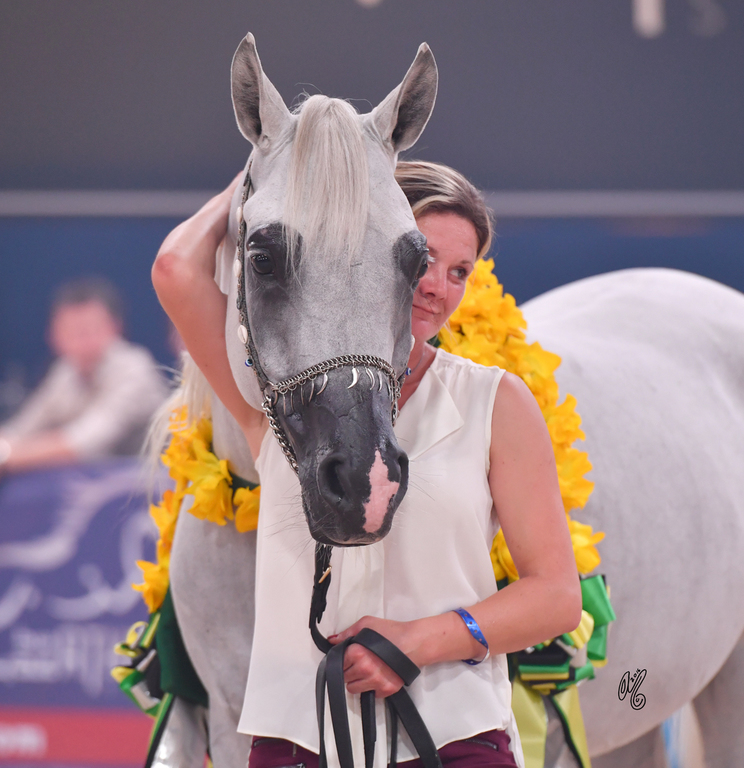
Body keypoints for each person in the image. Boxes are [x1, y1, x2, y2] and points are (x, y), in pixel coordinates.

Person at [152, 161, 581, 768]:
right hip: (294, 745)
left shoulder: (495, 402)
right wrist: (269, 164)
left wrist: (418, 643)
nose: (438, 287)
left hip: (453, 741)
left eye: (460, 271)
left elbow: (557, 596)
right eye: (422, 258)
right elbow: (177, 268)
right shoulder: (275, 401)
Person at [0, 277, 168, 473]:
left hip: (156, 481)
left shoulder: (135, 368)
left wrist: (7, 456)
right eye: (71, 330)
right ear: (53, 335)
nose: (82, 340)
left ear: (115, 327)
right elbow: (23, 428)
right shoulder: (65, 371)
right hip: (101, 482)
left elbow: (81, 443)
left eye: (90, 329)